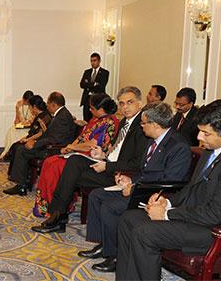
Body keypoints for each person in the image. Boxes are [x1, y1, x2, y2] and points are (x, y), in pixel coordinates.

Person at [115, 100, 221, 281]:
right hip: (200, 219)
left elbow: (217, 214)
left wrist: (167, 214)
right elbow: (193, 188)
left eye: (206, 133)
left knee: (145, 232)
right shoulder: (213, 148)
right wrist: (168, 202)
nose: (199, 137)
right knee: (129, 218)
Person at [79, 102, 191, 273]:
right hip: (141, 186)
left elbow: (170, 180)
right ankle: (104, 244)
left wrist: (135, 186)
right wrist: (128, 178)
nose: (141, 125)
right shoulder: (152, 140)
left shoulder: (178, 146)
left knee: (110, 207)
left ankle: (116, 255)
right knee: (97, 195)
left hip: (155, 194)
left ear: (155, 124)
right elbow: (143, 170)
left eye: (144, 123)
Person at [31, 86, 150, 233]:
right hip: (108, 163)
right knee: (74, 161)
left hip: (121, 174)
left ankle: (58, 218)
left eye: (129, 102)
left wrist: (107, 166)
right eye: (121, 103)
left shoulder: (143, 127)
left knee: (70, 175)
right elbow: (115, 149)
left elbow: (136, 163)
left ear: (139, 103)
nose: (125, 107)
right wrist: (102, 154)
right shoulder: (125, 122)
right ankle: (57, 215)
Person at [33, 93, 119, 217]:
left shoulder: (110, 122)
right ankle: (45, 205)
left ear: (100, 109)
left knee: (56, 166)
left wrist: (72, 147)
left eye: (92, 108)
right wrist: (70, 148)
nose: (89, 110)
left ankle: (58, 208)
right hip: (79, 153)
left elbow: (93, 144)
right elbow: (81, 138)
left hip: (92, 157)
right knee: (49, 161)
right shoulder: (96, 119)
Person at [3, 92, 78, 196]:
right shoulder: (61, 114)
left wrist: (35, 144)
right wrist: (34, 140)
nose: (46, 106)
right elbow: (51, 135)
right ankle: (23, 183)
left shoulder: (62, 117)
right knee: (21, 147)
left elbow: (53, 139)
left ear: (54, 105)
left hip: (54, 149)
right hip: (50, 145)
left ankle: (21, 186)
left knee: (22, 150)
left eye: (48, 103)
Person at [0, 90, 35, 160]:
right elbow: (17, 119)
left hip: (30, 128)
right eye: (25, 101)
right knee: (11, 131)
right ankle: (8, 153)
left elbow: (35, 120)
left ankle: (16, 153)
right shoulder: (19, 105)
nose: (26, 103)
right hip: (22, 126)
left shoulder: (34, 106)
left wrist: (29, 122)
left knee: (21, 134)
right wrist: (16, 124)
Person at [79, 52, 109, 122]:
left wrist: (88, 84)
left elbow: (101, 86)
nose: (92, 63)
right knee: (86, 120)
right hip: (87, 100)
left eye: (94, 60)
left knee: (96, 121)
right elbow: (82, 84)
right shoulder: (87, 72)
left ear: (99, 61)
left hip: (97, 101)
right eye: (91, 61)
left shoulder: (105, 72)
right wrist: (94, 84)